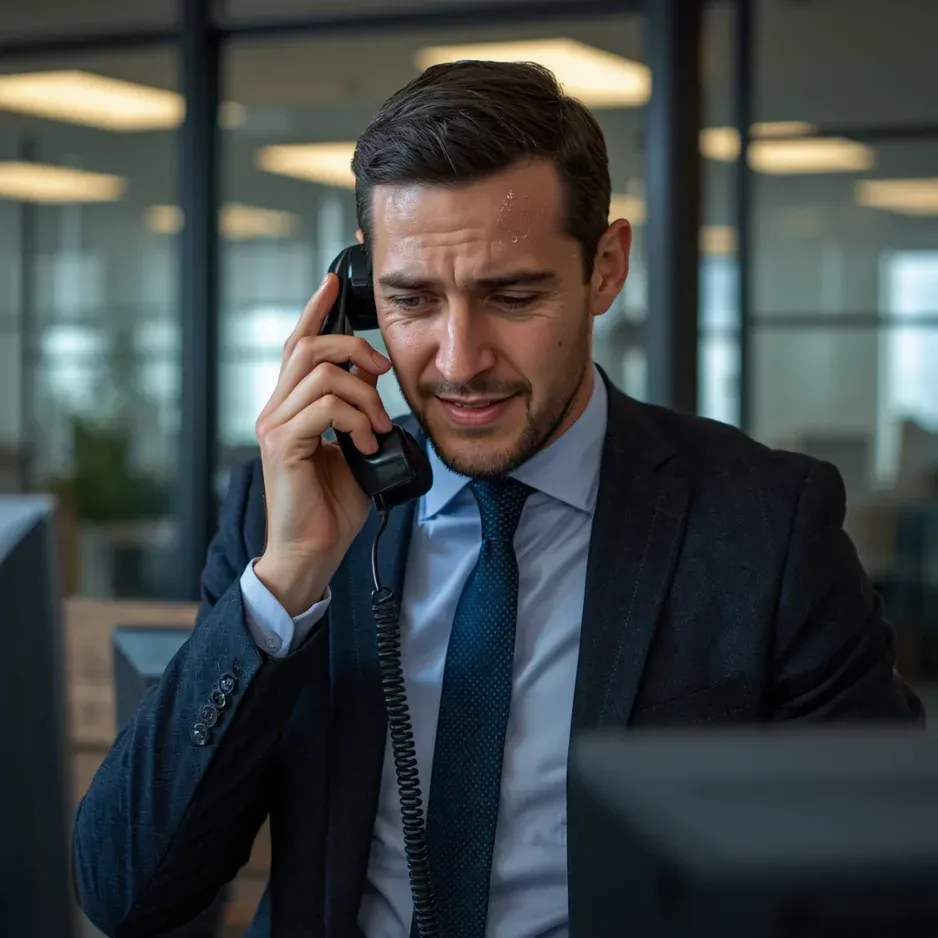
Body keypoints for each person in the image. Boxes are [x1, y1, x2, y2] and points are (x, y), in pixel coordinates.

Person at [73, 61, 923, 938]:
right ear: (356, 303)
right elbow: (126, 892)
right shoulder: (282, 510)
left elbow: (881, 885)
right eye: (412, 300)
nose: (459, 359)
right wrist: (285, 580)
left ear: (605, 267)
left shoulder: (765, 526)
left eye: (512, 296)